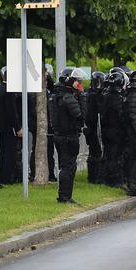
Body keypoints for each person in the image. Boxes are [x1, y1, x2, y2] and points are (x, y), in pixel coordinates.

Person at [49, 67, 87, 203]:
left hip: (59, 135)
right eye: (77, 81)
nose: (79, 84)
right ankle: (65, 197)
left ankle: (65, 196)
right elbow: (81, 116)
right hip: (68, 136)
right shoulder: (68, 97)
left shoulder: (55, 95)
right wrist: (82, 98)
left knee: (65, 166)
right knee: (68, 167)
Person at [100, 72, 126, 188]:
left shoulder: (105, 96)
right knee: (116, 156)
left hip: (106, 130)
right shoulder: (118, 98)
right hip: (116, 131)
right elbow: (121, 116)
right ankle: (115, 180)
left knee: (108, 154)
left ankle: (106, 178)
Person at [84, 71, 105, 184]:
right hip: (94, 126)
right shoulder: (94, 96)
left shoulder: (89, 94)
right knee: (96, 152)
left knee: (93, 152)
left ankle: (92, 176)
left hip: (90, 126)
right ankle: (96, 177)